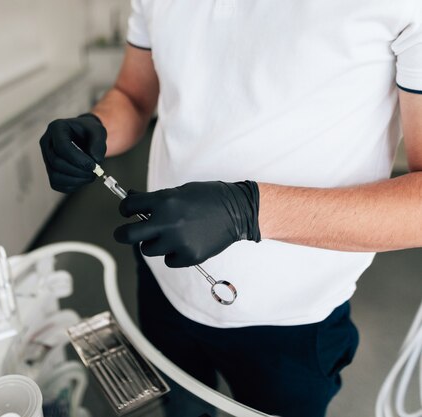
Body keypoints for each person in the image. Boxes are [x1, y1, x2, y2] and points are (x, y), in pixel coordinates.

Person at [39, 1, 422, 416]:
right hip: (163, 279)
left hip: (293, 319)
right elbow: (133, 95)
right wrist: (95, 128)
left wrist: (248, 210)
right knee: (180, 409)